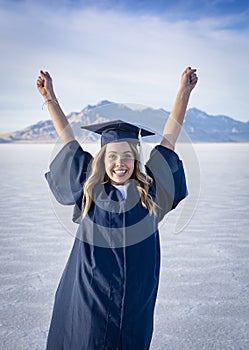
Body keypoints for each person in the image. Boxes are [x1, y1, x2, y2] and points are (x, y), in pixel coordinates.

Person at [36, 67, 198, 350]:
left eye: (127, 156)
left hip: (135, 299)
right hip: (92, 297)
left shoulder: (151, 192)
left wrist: (183, 92)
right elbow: (68, 140)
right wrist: (50, 98)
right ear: (103, 158)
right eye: (112, 156)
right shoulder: (90, 188)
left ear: (136, 160)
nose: (119, 163)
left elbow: (169, 140)